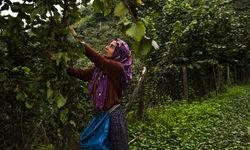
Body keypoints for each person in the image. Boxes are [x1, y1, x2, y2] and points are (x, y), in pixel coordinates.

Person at [66, 28, 132, 150]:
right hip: (102, 116)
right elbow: (82, 74)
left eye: (112, 47)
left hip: (113, 117)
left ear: (119, 53)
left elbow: (98, 59)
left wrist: (78, 41)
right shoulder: (100, 69)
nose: (106, 47)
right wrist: (64, 67)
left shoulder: (117, 68)